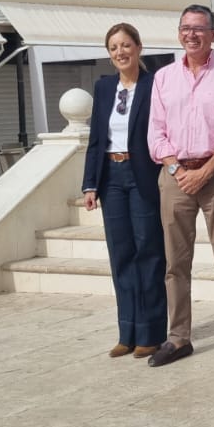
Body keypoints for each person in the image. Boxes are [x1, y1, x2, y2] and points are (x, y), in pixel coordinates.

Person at [147, 4, 214, 368]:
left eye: (199, 28)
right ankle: (178, 338)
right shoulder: (163, 78)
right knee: (175, 263)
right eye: (185, 28)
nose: (191, 34)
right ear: (178, 33)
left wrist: (204, 171)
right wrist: (176, 168)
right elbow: (156, 132)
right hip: (174, 177)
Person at [81, 23, 167, 360]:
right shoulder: (103, 88)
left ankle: (151, 333)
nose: (120, 52)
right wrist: (91, 183)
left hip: (142, 173)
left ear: (139, 47)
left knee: (148, 252)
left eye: (126, 45)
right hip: (110, 176)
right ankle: (127, 331)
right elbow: (95, 140)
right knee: (121, 255)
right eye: (114, 47)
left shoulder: (153, 85)